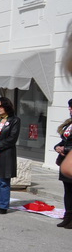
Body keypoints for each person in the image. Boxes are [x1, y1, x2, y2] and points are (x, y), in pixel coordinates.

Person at [53, 98, 72, 228]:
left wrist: (65, 149)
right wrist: (57, 147)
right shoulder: (69, 124)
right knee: (68, 191)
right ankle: (68, 217)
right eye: (69, 107)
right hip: (65, 160)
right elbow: (64, 141)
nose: (70, 109)